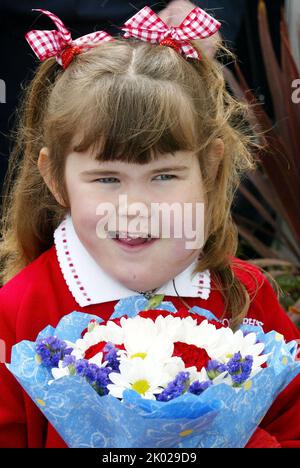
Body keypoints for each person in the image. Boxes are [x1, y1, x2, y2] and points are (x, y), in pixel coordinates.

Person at [0, 6, 299, 449]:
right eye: (107, 179)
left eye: (163, 175)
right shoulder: (19, 311)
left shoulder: (246, 298)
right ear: (55, 179)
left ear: (210, 168)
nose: (135, 208)